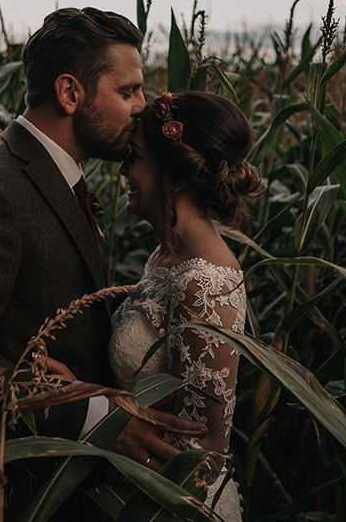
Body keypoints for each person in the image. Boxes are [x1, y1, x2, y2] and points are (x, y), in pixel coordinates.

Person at [0, 8, 205, 519]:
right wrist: (92, 415)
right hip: (19, 493)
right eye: (127, 92)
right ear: (69, 93)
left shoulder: (57, 178)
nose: (142, 109)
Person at [109, 91, 263, 520]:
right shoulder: (167, 257)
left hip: (178, 506)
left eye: (133, 156)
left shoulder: (205, 283)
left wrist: (100, 433)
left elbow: (201, 450)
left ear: (173, 174)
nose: (123, 169)